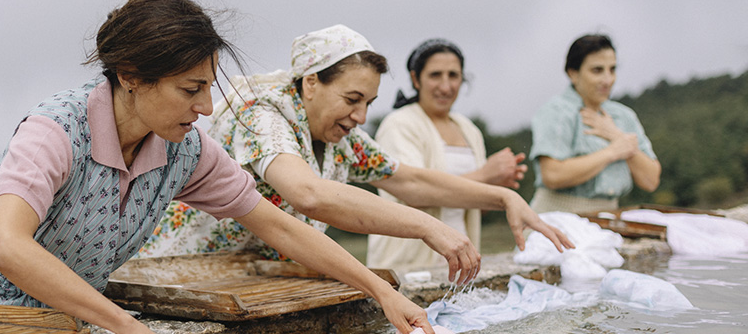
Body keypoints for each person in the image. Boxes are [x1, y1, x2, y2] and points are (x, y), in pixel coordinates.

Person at [0, 0, 434, 334]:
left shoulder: (184, 150)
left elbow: (280, 227)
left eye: (208, 88)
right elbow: (5, 243)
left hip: (59, 320)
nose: (205, 108)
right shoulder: (56, 131)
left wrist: (380, 290)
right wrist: (128, 327)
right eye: (190, 89)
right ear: (132, 75)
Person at [140, 25, 573, 280]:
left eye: (368, 102)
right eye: (352, 99)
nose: (361, 115)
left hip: (257, 280)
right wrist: (426, 227)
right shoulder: (261, 114)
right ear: (311, 83)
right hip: (183, 272)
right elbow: (308, 193)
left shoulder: (340, 136)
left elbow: (410, 180)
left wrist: (504, 198)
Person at [366, 39, 529, 271]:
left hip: (459, 264)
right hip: (408, 266)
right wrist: (484, 176)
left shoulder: (468, 129)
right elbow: (414, 193)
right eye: (435, 75)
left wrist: (495, 187)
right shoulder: (399, 124)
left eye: (453, 76)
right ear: (415, 79)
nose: (445, 86)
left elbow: (467, 207)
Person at [529, 34, 661, 214]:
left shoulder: (624, 116)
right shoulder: (556, 112)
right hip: (556, 217)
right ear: (573, 74)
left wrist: (616, 135)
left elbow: (651, 180)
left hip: (609, 218)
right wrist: (613, 151)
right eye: (597, 70)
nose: (607, 80)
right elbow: (552, 175)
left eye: (612, 69)